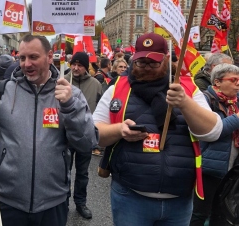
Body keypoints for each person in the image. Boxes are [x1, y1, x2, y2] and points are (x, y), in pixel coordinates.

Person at [93, 33, 221, 226]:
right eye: (141, 62)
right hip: (130, 197)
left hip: (179, 199)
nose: (146, 68)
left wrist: (185, 103)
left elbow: (213, 132)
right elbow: (94, 133)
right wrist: (120, 130)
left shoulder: (186, 88)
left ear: (167, 59)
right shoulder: (118, 87)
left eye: (153, 63)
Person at [0, 35, 97, 226]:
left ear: (49, 56)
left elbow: (87, 143)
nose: (26, 64)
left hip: (52, 203)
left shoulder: (70, 94)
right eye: (22, 58)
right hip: (7, 201)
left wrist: (70, 106)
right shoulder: (0, 92)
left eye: (33, 57)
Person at [190, 63, 239, 226]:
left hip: (230, 169)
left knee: (223, 214)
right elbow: (213, 131)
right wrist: (237, 118)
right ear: (217, 82)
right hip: (208, 168)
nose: (238, 84)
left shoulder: (235, 102)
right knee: (200, 213)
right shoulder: (204, 99)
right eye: (234, 80)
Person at [64, 52, 102, 219]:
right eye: (73, 64)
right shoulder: (63, 81)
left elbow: (101, 109)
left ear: (86, 67)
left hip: (85, 137)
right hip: (65, 136)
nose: (75, 67)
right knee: (63, 171)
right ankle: (63, 202)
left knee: (82, 173)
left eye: (80, 65)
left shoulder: (95, 84)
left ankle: (80, 202)